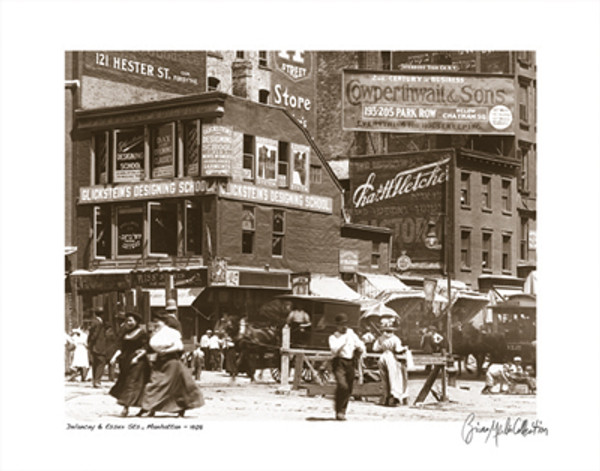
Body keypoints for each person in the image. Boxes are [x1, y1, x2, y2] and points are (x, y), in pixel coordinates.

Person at [141, 313, 204, 417]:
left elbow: (179, 346)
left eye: (158, 322)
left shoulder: (171, 333)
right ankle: (151, 408)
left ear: (164, 322)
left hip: (172, 362)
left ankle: (180, 409)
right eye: (154, 322)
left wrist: (166, 351)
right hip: (160, 362)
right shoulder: (155, 334)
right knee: (155, 384)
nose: (155, 324)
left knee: (176, 387)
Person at [108, 312, 150, 417]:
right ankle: (143, 408)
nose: (129, 323)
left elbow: (146, 348)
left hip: (138, 362)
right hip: (126, 361)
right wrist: (114, 357)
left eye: (131, 320)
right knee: (126, 383)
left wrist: (137, 358)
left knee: (131, 384)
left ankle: (126, 407)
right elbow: (121, 347)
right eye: (127, 320)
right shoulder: (125, 332)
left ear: (136, 322)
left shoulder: (142, 333)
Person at [328, 313, 366, 421]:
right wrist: (344, 340)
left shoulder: (351, 333)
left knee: (349, 388)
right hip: (339, 362)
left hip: (350, 362)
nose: (344, 326)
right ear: (337, 326)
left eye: (345, 324)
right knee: (342, 386)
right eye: (341, 325)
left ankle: (342, 411)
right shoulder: (333, 337)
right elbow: (334, 350)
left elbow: (359, 344)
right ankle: (338, 408)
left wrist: (361, 348)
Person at [373, 320, 409, 406]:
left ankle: (386, 398)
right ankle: (394, 397)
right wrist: (404, 348)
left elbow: (375, 348)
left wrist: (382, 345)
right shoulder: (395, 339)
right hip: (391, 357)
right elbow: (398, 349)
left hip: (383, 357)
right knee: (393, 378)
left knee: (384, 378)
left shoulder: (380, 338)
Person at [88, 306, 109, 388]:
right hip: (98, 346)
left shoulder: (96, 321)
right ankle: (97, 381)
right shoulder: (97, 322)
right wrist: (91, 344)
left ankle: (95, 380)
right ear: (102, 314)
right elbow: (94, 335)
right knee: (101, 362)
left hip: (95, 346)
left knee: (96, 363)